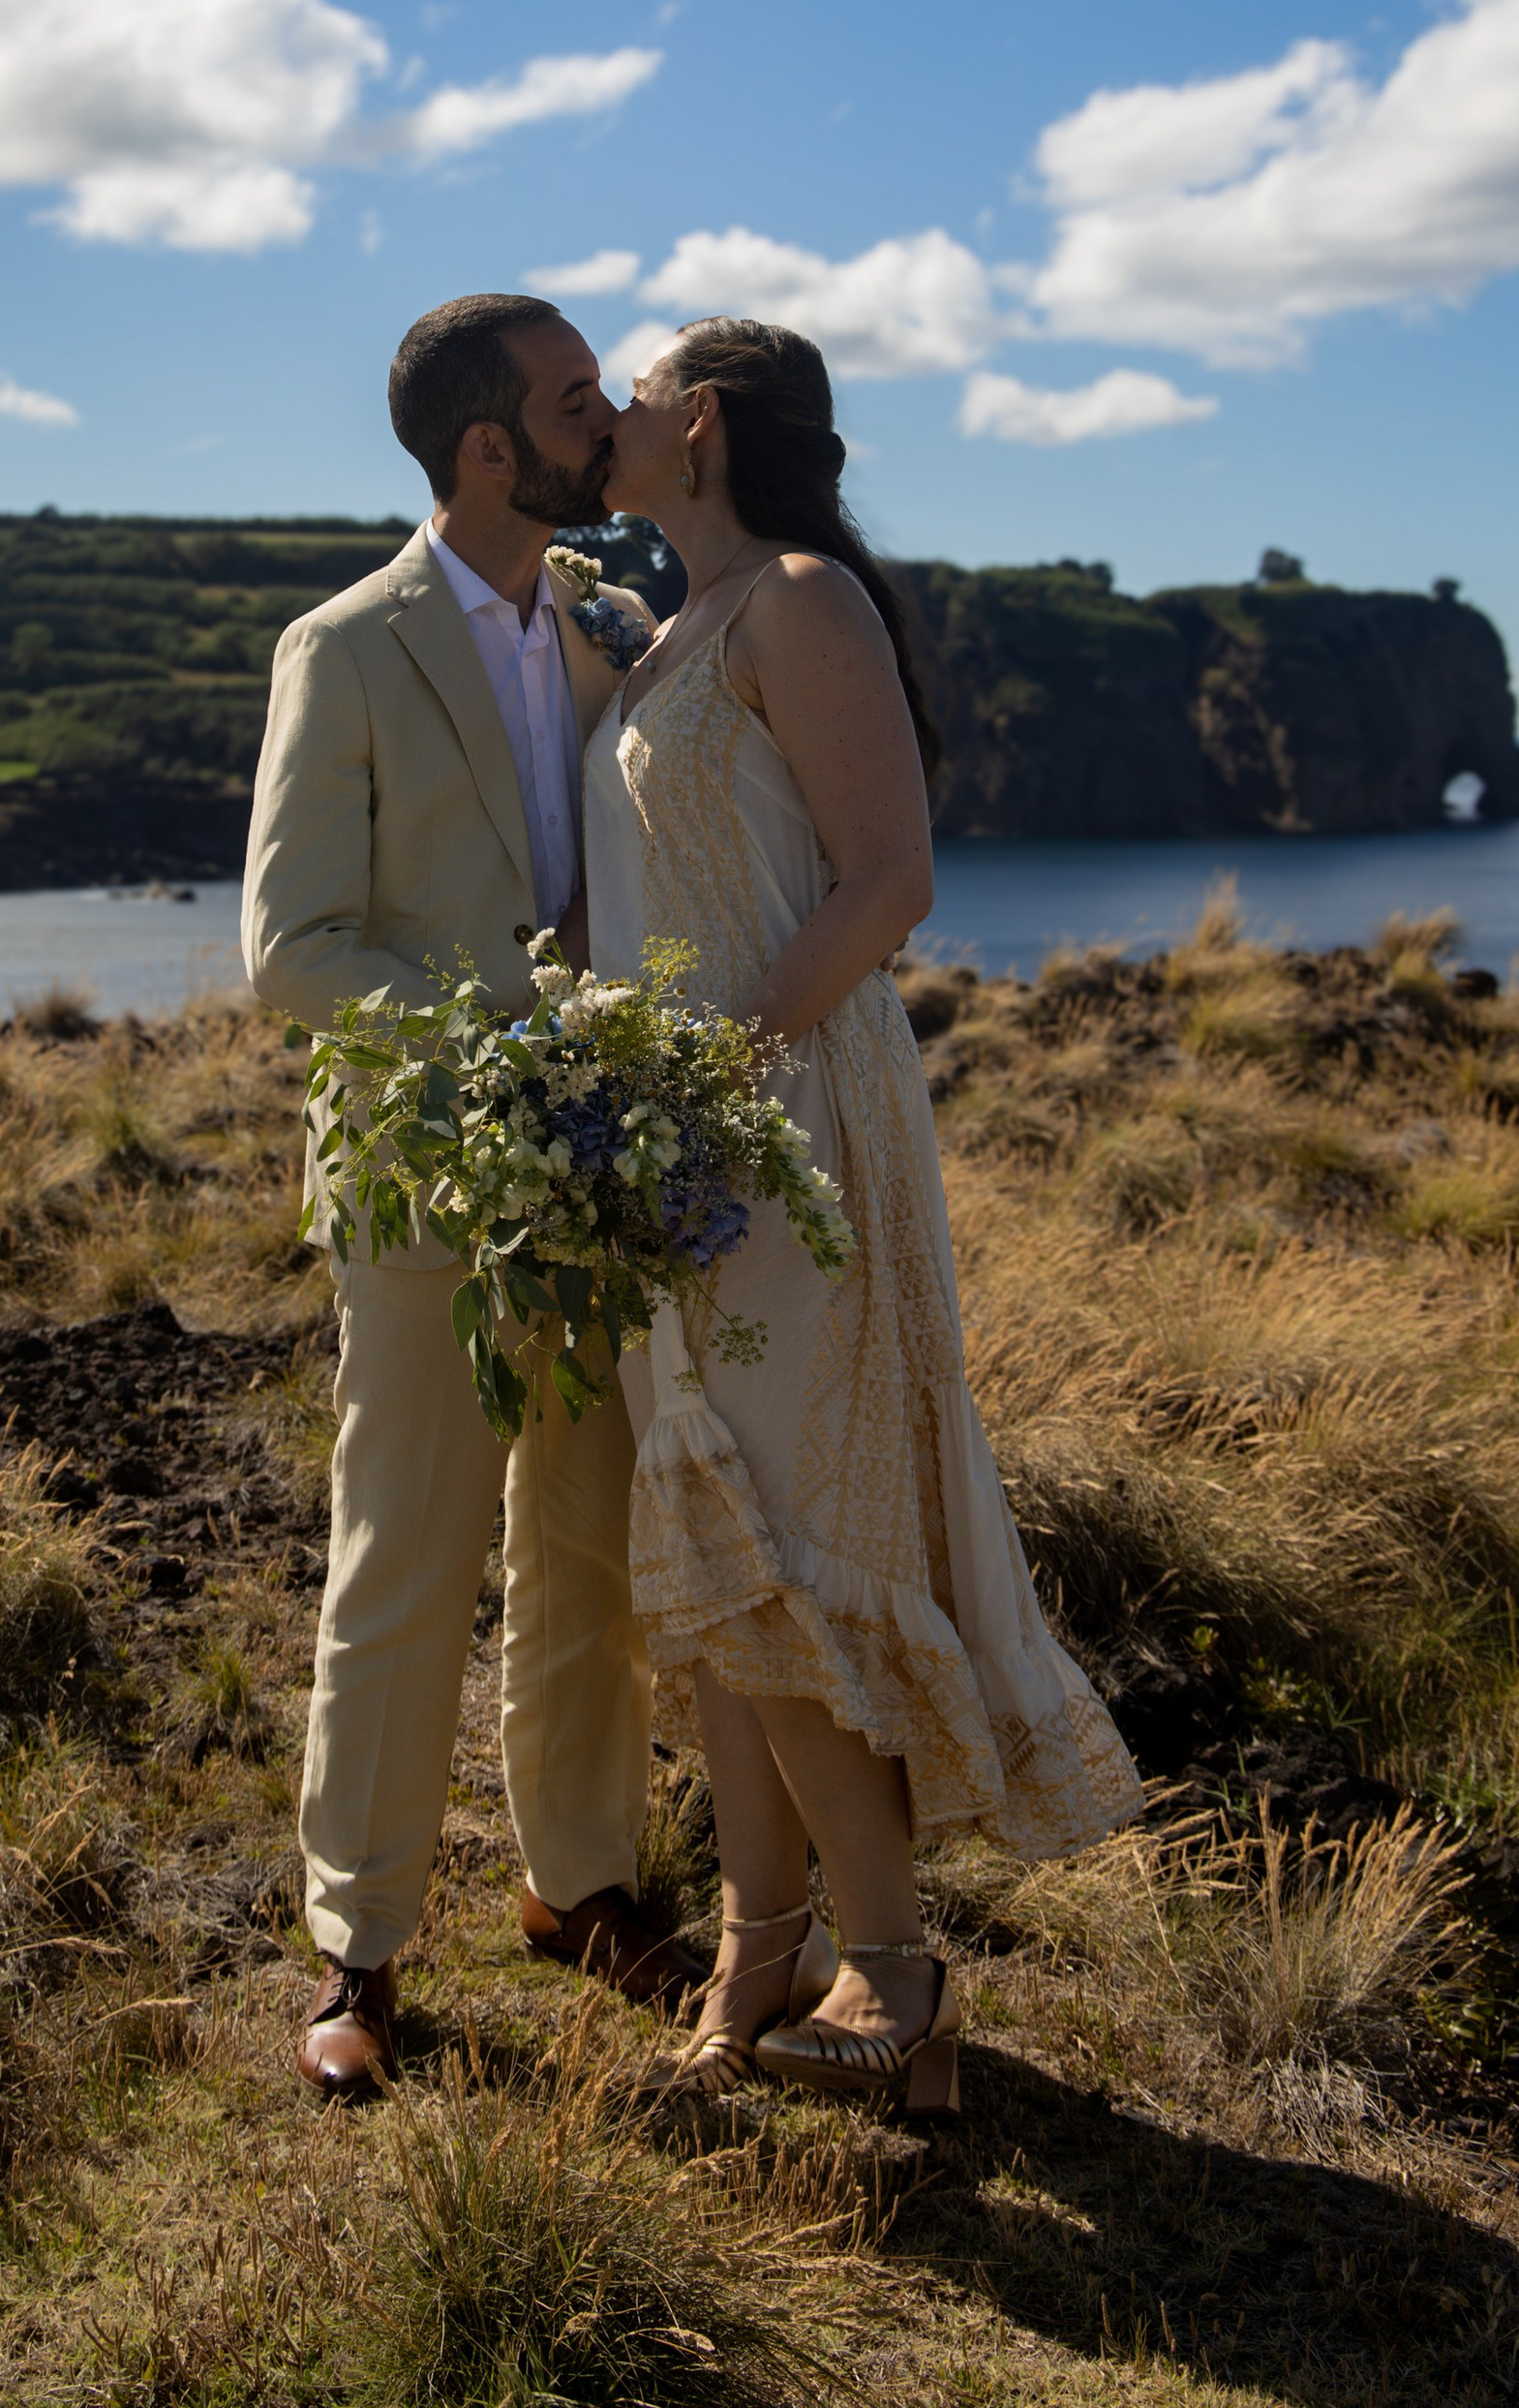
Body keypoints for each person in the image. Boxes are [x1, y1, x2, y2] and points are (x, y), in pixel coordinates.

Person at [583, 316, 1142, 2116]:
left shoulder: (806, 602)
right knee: (714, 1526)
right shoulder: (675, 624)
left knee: (786, 1524)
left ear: (711, 423)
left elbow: (891, 881)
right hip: (680, 1127)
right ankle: (767, 1945)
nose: (613, 415)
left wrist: (705, 1070)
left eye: (643, 392)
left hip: (786, 1113)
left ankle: (892, 1976)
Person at [243, 293, 700, 2097]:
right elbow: (290, 950)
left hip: (590, 1173)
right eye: (580, 400)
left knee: (588, 1551)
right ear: (490, 449)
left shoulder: (613, 620)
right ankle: (359, 1948)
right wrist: (516, 1028)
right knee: (404, 1559)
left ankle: (581, 1882)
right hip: (430, 1170)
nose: (610, 421)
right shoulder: (342, 648)